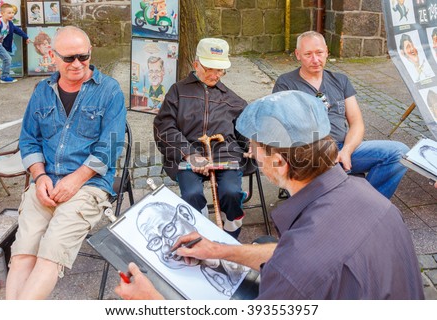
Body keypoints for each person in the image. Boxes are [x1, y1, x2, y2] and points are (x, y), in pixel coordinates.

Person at [116, 90, 424, 300]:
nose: (250, 153)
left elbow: (296, 265)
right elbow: (290, 254)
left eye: (254, 149)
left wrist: (152, 301)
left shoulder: (296, 271)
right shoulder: (366, 193)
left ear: (278, 163)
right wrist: (221, 250)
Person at [5, 26, 127, 300]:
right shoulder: (42, 91)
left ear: (90, 53)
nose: (77, 64)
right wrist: (39, 176)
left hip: (88, 184)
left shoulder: (108, 91)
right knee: (23, 252)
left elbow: (110, 147)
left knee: (50, 254)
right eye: (69, 58)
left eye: (83, 57)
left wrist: (76, 180)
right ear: (53, 56)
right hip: (46, 183)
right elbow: (28, 140)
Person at [273, 31, 409, 199]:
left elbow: (357, 122)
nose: (315, 60)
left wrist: (346, 150)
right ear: (297, 55)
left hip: (343, 149)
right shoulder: (286, 83)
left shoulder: (340, 80)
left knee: (400, 153)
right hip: (310, 154)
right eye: (308, 54)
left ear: (327, 52)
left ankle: (370, 204)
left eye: (319, 53)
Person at [153, 38, 248, 239]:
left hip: (224, 155)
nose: (215, 75)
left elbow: (246, 132)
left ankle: (230, 234)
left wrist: (253, 146)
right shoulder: (178, 91)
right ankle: (200, 231)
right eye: (209, 69)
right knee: (192, 195)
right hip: (189, 155)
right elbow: (164, 127)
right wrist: (190, 154)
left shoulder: (233, 100)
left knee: (231, 193)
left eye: (220, 70)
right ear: (196, 64)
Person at [0, 3, 30, 92]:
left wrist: (26, 37)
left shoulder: (9, 23)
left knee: (7, 59)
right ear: (2, 13)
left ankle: (4, 77)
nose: (12, 15)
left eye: (13, 12)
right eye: (9, 13)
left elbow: (16, 30)